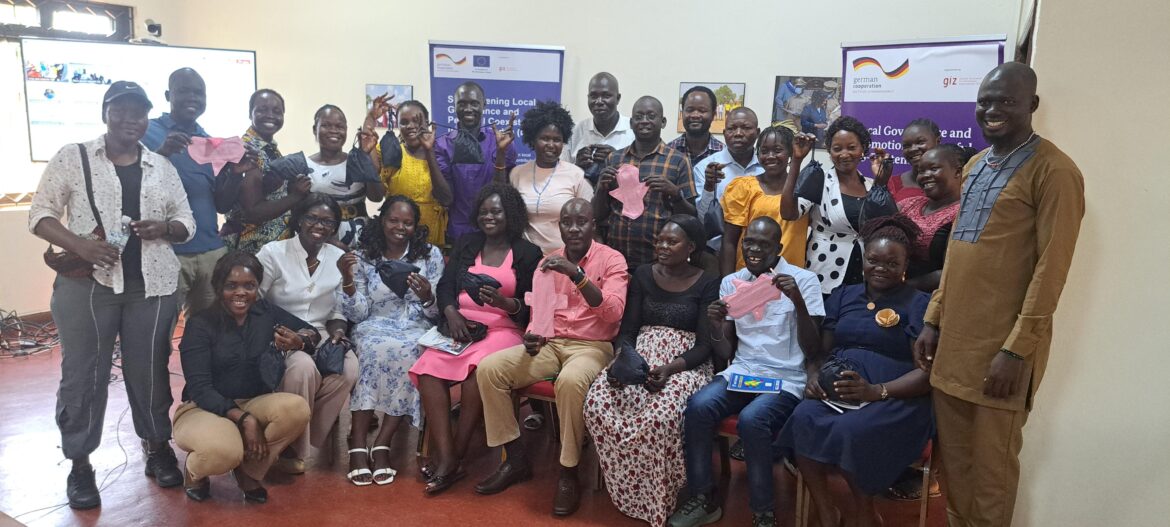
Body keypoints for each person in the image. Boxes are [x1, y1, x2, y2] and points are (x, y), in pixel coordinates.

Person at [914, 62, 1084, 527]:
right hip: (953, 346)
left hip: (1001, 354)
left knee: (991, 478)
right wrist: (933, 319)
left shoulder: (1055, 171)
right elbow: (958, 253)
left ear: (1032, 105)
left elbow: (1052, 269)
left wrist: (1016, 350)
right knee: (955, 471)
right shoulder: (973, 165)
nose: (992, 110)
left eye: (1006, 101)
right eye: (985, 101)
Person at [29, 81, 196, 509]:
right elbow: (40, 214)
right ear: (105, 113)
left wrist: (165, 228)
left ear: (147, 118)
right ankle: (80, 462)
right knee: (84, 374)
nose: (129, 120)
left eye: (138, 112)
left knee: (150, 371)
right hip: (88, 286)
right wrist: (80, 246)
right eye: (120, 110)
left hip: (153, 286)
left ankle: (156, 446)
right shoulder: (75, 156)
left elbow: (187, 221)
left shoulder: (161, 166)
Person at [475, 198, 629, 516]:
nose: (574, 229)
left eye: (581, 222)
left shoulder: (612, 260)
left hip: (592, 346)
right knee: (490, 369)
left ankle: (569, 471)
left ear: (593, 225)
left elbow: (613, 313)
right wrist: (532, 334)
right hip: (550, 343)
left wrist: (577, 275)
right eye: (567, 223)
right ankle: (515, 459)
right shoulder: (547, 262)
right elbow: (540, 312)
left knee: (570, 382)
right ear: (559, 227)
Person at [778, 215, 933, 527]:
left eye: (892, 263)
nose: (880, 268)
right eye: (874, 260)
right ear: (864, 259)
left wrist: (877, 391)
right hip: (840, 392)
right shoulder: (844, 295)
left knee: (854, 431)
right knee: (803, 417)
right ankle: (826, 510)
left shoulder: (920, 303)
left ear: (906, 265)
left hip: (896, 398)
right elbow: (820, 352)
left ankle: (865, 513)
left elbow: (927, 375)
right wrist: (814, 376)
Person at [667, 217, 823, 527]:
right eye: (749, 242)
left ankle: (763, 512)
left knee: (753, 420)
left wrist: (798, 302)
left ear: (778, 248)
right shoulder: (732, 282)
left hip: (785, 379)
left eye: (764, 244)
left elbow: (813, 349)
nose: (754, 249)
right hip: (743, 372)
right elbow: (725, 352)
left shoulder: (803, 280)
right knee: (698, 407)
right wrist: (715, 325)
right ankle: (703, 498)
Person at [583, 215, 719, 526]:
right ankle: (629, 488)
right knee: (598, 401)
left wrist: (669, 369)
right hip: (640, 355)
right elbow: (628, 330)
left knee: (660, 415)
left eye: (672, 241)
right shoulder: (644, 274)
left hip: (684, 364)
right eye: (659, 241)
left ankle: (660, 494)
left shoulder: (708, 281)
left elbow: (704, 346)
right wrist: (622, 360)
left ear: (691, 247)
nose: (662, 246)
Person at [409, 182, 541, 494]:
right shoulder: (468, 243)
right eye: (483, 212)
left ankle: (456, 455)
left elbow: (533, 305)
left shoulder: (528, 253)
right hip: (461, 327)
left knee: (477, 375)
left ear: (511, 214)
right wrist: (451, 312)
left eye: (496, 211)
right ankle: (447, 455)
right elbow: (445, 286)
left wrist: (506, 304)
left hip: (504, 329)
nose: (488, 217)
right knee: (428, 370)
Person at [173, 252, 314, 503]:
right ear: (218, 287)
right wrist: (245, 419)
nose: (241, 293)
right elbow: (200, 388)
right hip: (204, 407)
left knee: (296, 409)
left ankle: (249, 471)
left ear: (257, 287)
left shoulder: (264, 312)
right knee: (223, 452)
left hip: (252, 400)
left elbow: (311, 331)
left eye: (249, 286)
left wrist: (300, 340)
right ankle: (195, 471)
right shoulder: (200, 324)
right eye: (231, 286)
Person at [337, 195, 445, 485]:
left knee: (413, 350)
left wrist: (428, 296)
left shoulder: (429, 255)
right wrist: (347, 281)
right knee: (371, 349)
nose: (400, 227)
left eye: (407, 223)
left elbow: (437, 313)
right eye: (393, 220)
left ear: (416, 226)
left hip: (415, 325)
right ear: (382, 220)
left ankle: (383, 442)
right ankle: (357, 442)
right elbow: (357, 313)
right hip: (373, 323)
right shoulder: (364, 255)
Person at [255, 194, 357, 473]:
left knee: (348, 368)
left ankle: (299, 435)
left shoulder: (338, 258)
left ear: (334, 227)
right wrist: (278, 333)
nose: (319, 226)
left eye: (328, 221)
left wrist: (338, 332)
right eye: (312, 218)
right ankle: (288, 448)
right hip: (279, 331)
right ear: (299, 219)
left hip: (320, 331)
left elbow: (339, 310)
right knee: (303, 368)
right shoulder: (273, 253)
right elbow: (255, 302)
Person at [141, 68, 233, 315]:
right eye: (184, 91)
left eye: (198, 93)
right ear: (168, 95)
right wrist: (161, 153)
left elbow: (222, 204)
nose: (192, 98)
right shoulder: (145, 131)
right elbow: (128, 182)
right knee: (159, 327)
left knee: (209, 329)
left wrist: (235, 172)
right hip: (165, 249)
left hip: (210, 251)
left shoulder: (210, 142)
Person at [782, 116, 896, 299]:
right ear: (829, 151)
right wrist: (796, 160)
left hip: (863, 277)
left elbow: (886, 225)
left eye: (851, 147)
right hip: (823, 275)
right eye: (837, 149)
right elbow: (788, 213)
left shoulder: (871, 185)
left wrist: (881, 183)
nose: (844, 154)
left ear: (862, 149)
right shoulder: (819, 181)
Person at [594, 96, 696, 271]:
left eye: (651, 116)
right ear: (631, 123)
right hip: (616, 258)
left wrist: (675, 193)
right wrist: (601, 189)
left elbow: (691, 218)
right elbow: (598, 214)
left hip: (659, 262)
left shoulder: (679, 161)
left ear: (663, 122)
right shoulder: (614, 158)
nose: (644, 121)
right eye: (639, 116)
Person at [221, 89, 313, 254]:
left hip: (273, 248)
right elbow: (253, 212)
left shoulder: (269, 148)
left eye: (277, 111)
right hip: (252, 250)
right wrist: (296, 196)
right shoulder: (248, 150)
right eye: (262, 110)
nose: (270, 115)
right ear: (250, 113)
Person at [434, 81, 519, 243]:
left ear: (484, 105)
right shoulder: (442, 145)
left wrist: (501, 152)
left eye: (474, 103)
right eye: (462, 103)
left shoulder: (501, 142)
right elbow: (446, 198)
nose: (468, 109)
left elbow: (502, 192)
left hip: (494, 234)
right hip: (458, 233)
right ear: (454, 106)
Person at [719, 126, 808, 276]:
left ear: (790, 153)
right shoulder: (743, 187)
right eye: (764, 151)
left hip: (790, 275)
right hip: (748, 274)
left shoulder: (803, 188)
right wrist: (727, 281)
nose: (770, 156)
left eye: (777, 150)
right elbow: (729, 241)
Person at [366, 97, 452, 247]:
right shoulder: (392, 151)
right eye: (404, 122)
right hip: (395, 236)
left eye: (416, 121)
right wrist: (370, 119)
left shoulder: (441, 152)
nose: (410, 126)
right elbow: (375, 196)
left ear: (427, 123)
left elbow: (446, 199)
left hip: (431, 237)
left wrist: (429, 151)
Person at [511, 99, 593, 255]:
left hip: (566, 258)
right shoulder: (517, 173)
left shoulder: (575, 174)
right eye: (545, 138)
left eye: (557, 140)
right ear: (533, 140)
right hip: (526, 259)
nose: (551, 144)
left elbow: (589, 220)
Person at [305, 104, 386, 246]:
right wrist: (330, 242)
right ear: (314, 129)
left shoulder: (357, 162)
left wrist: (365, 159)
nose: (333, 130)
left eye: (339, 126)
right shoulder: (305, 166)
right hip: (320, 240)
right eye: (326, 125)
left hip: (361, 237)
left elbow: (376, 197)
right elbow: (301, 213)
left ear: (346, 130)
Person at [899, 144, 972, 292]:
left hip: (936, 298)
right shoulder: (908, 204)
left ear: (958, 172)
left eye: (933, 169)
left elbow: (953, 272)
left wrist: (900, 288)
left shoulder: (966, 213)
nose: (925, 175)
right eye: (921, 171)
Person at [694, 107, 763, 253]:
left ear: (757, 132)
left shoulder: (767, 167)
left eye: (746, 128)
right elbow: (701, 219)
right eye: (732, 128)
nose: (738, 133)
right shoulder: (705, 167)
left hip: (759, 252)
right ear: (724, 133)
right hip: (716, 253)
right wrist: (708, 187)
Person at [562, 72, 635, 185]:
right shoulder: (574, 131)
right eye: (593, 96)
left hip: (623, 195)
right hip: (581, 195)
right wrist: (576, 166)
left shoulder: (634, 130)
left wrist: (616, 158)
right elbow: (560, 176)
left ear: (618, 98)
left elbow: (644, 175)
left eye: (606, 96)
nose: (599, 101)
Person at [887, 118, 943, 203]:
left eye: (920, 142)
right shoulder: (892, 184)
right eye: (907, 146)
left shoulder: (955, 182)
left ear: (937, 142)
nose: (913, 149)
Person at [668, 85, 725, 167]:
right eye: (689, 110)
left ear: (713, 115)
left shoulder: (724, 154)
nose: (695, 115)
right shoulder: (668, 151)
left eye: (702, 110)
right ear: (682, 112)